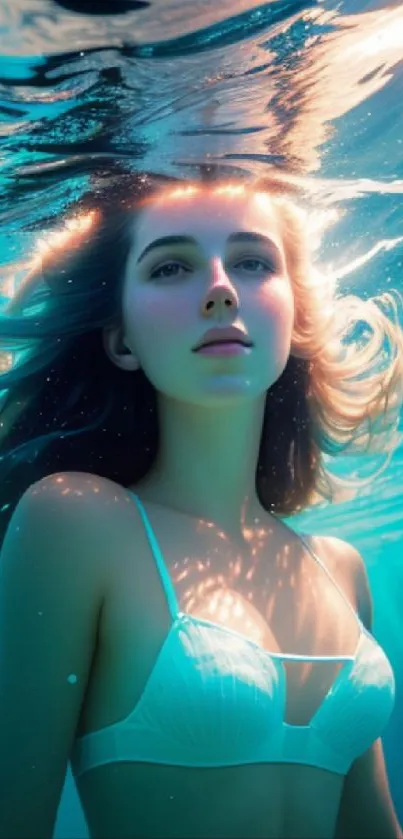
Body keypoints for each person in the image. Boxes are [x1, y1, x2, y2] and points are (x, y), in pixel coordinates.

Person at [0, 169, 402, 839]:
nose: (219, 289)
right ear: (120, 338)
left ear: (293, 313)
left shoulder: (341, 569)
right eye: (170, 268)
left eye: (250, 260)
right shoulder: (73, 521)